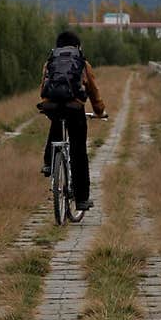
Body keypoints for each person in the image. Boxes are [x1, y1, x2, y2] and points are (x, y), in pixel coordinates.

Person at [37, 30, 107, 210]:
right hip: (74, 107)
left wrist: (47, 104)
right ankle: (82, 199)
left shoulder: (49, 62)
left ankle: (48, 163)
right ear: (77, 46)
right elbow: (93, 90)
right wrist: (99, 111)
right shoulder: (82, 63)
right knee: (78, 150)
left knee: (56, 124)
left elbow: (43, 88)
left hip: (51, 106)